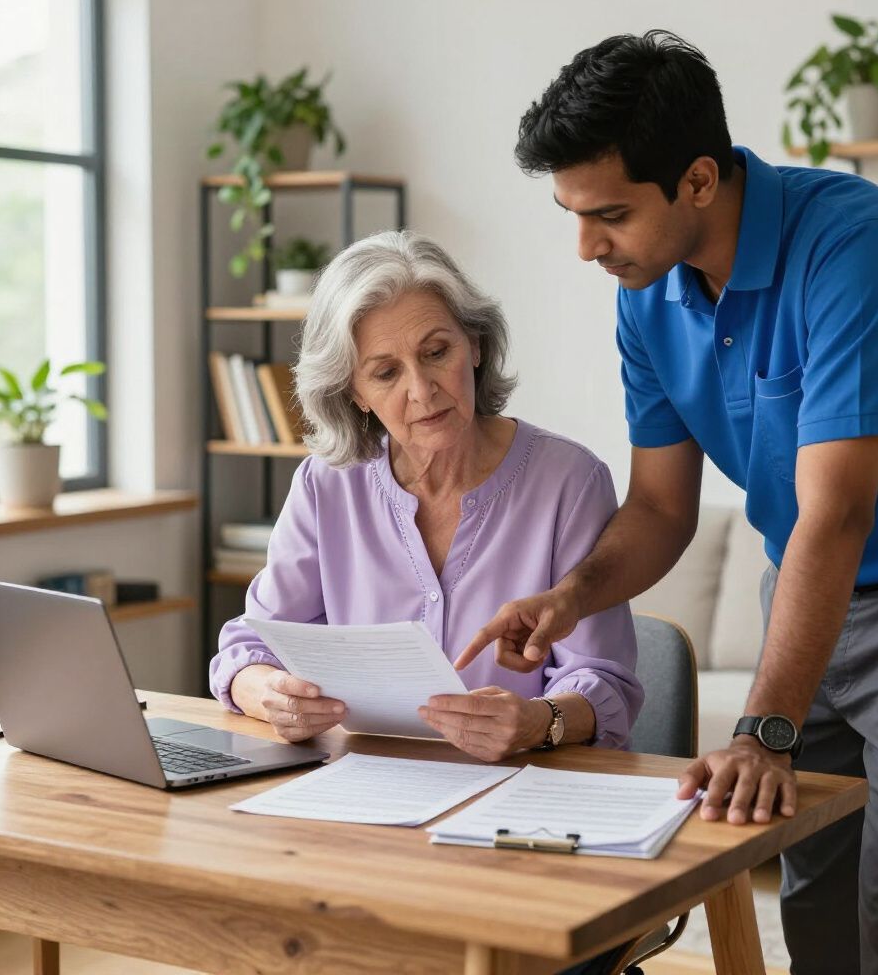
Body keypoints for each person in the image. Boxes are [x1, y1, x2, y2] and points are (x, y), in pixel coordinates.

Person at [456, 31, 878, 974]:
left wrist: (761, 730)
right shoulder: (646, 290)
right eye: (572, 215)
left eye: (609, 215)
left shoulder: (854, 247)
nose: (587, 247)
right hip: (801, 600)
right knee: (817, 915)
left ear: (701, 182)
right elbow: (661, 511)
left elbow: (836, 514)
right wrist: (571, 598)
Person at [210, 230, 642, 762]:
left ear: (476, 346)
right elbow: (249, 646)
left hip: (521, 790)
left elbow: (604, 682)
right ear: (355, 392)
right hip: (363, 787)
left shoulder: (568, 481)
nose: (421, 389)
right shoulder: (326, 484)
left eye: (437, 352)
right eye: (386, 372)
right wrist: (268, 693)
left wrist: (538, 721)